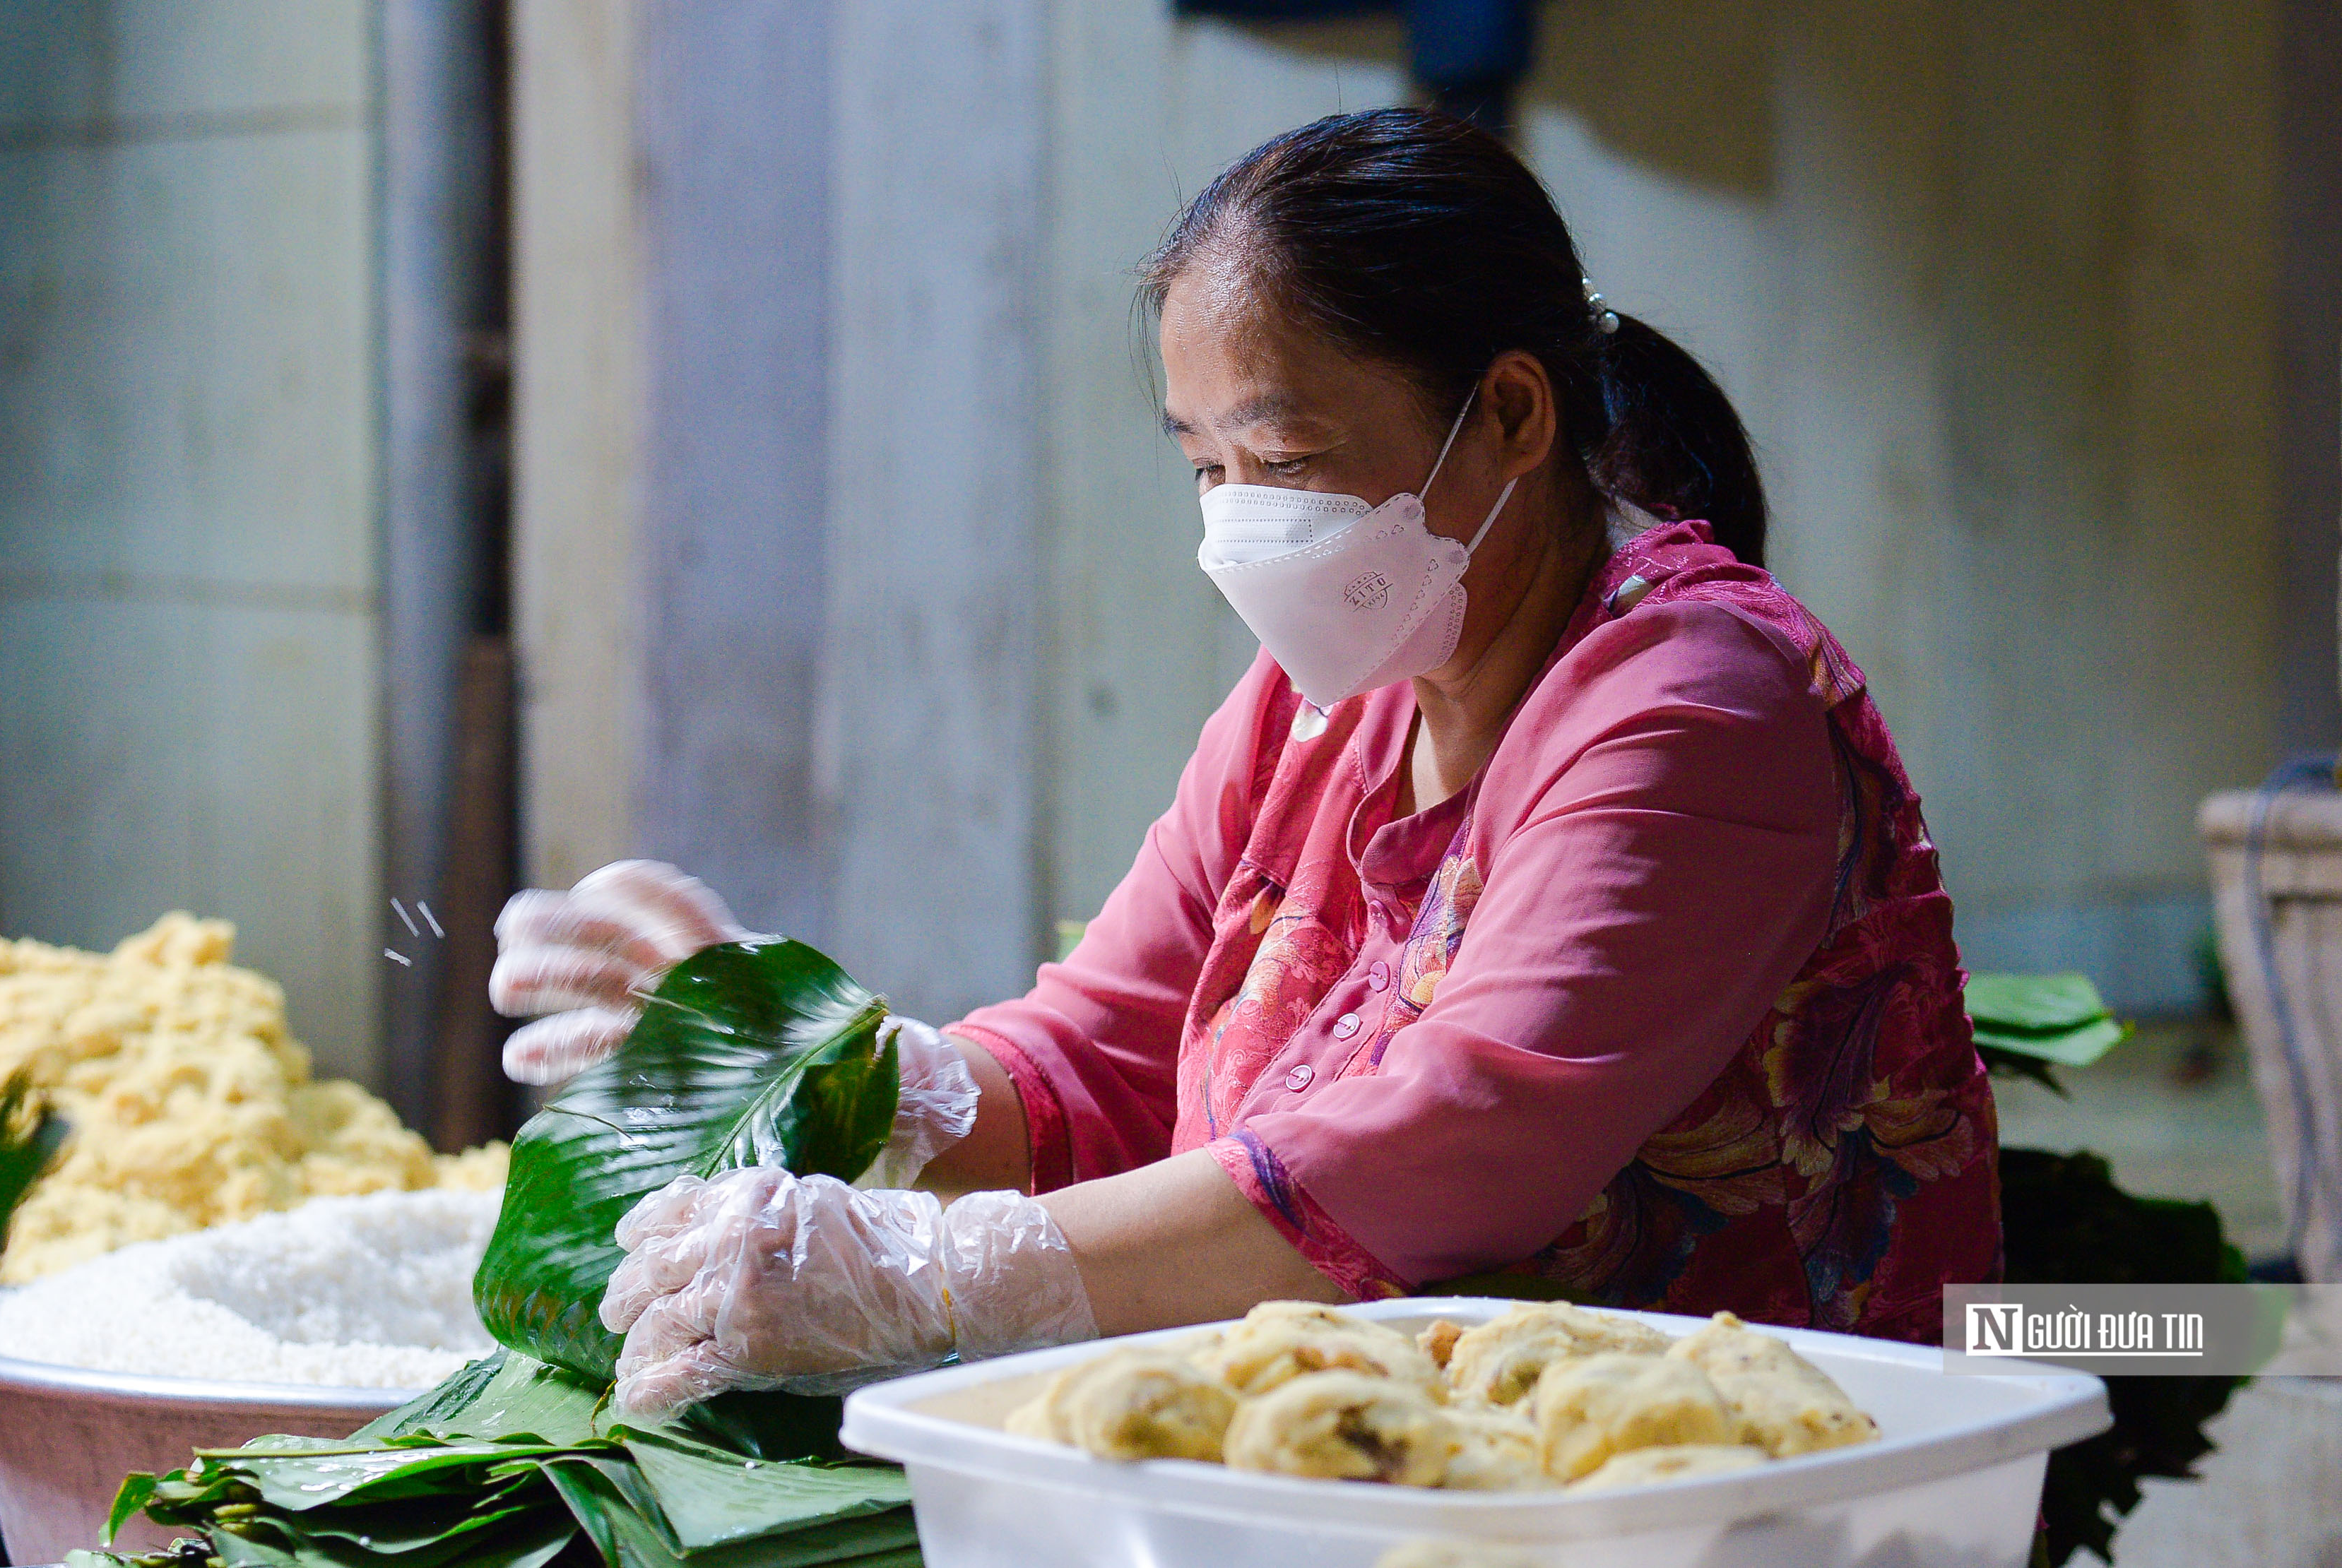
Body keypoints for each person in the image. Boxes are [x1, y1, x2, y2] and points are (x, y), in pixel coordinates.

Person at [492, 109, 1999, 1419]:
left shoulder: (1693, 702)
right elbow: (1102, 1048)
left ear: (1514, 415)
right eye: (1205, 466)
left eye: (1283, 461)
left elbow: (1459, 1141)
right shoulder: (1314, 707)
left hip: (1682, 1484)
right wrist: (853, 1073)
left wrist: (934, 1271)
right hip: (1339, 1455)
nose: (1237, 520)